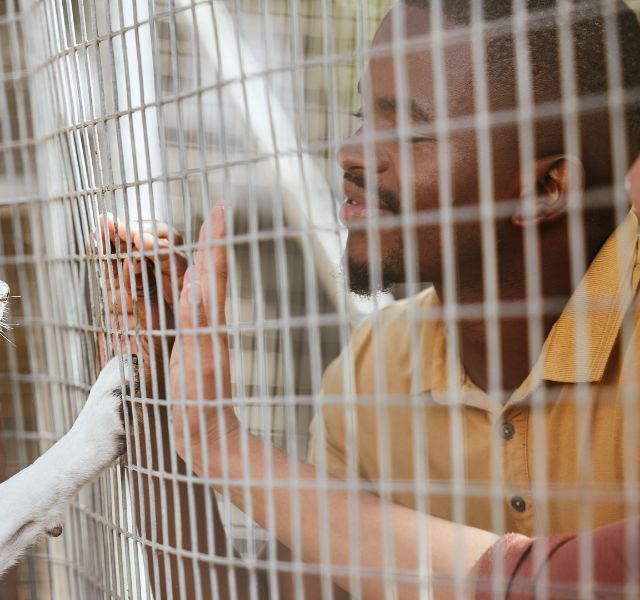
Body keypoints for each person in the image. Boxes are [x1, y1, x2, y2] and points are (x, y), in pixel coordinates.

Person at [102, 0, 640, 595]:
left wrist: (220, 441)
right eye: (363, 116)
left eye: (408, 132)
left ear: (544, 187)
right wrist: (159, 397)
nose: (351, 153)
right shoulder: (370, 372)